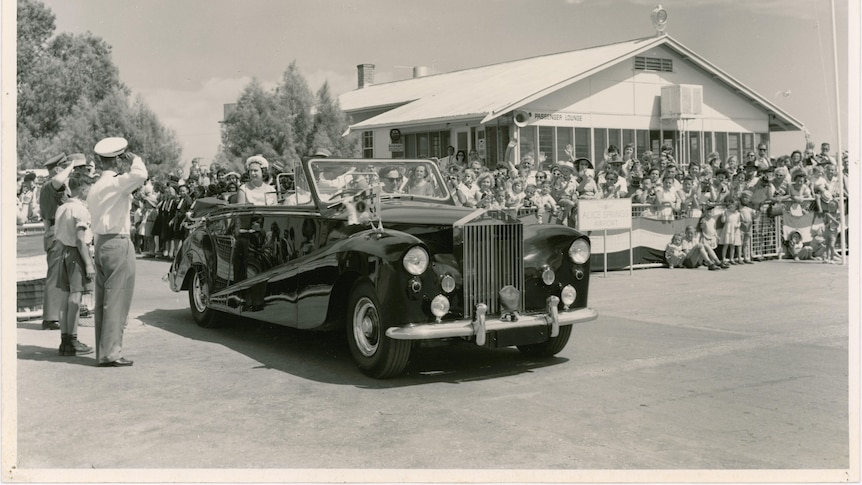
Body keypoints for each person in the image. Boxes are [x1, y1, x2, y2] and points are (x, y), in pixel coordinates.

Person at [88, 137, 147, 367]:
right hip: (118, 241)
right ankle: (111, 352)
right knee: (117, 300)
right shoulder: (116, 182)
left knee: (104, 298)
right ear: (119, 160)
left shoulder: (95, 186)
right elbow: (140, 174)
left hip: (101, 242)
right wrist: (135, 159)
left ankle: (104, 351)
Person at [54, 171, 96, 356]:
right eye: (89, 188)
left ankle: (64, 341)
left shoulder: (62, 207)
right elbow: (80, 239)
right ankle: (72, 339)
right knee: (75, 298)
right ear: (83, 188)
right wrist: (88, 263)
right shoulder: (80, 209)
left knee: (65, 298)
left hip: (63, 252)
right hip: (76, 253)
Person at [39, 153, 76, 330]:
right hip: (56, 231)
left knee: (59, 274)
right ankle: (50, 317)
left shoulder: (48, 187)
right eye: (63, 166)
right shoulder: (50, 186)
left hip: (54, 230)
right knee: (55, 275)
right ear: (57, 168)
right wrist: (71, 167)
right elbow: (58, 181)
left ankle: (55, 315)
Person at [718, 197, 742, 265]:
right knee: (726, 245)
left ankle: (731, 258)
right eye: (731, 204)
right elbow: (723, 221)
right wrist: (723, 216)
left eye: (734, 205)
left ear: (736, 206)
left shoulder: (738, 214)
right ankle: (724, 258)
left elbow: (739, 222)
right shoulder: (726, 212)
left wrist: (737, 225)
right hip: (728, 229)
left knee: (733, 245)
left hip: (734, 230)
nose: (732, 206)